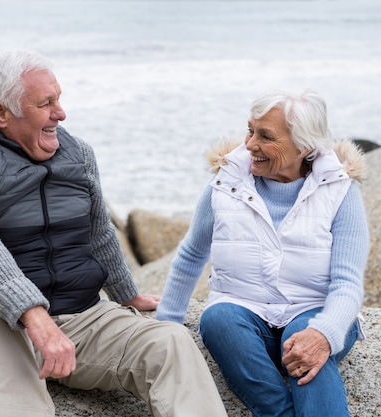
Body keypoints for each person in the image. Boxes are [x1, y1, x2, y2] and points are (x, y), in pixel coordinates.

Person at [0, 48, 228, 417]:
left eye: (58, 99)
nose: (60, 113)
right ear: (1, 113)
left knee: (170, 341)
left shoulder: (78, 154)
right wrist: (35, 316)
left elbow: (99, 233)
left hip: (81, 322)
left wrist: (128, 294)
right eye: (46, 103)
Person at [155, 90, 369, 417]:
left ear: (305, 147)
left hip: (314, 312)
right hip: (244, 317)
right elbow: (190, 256)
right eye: (250, 130)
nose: (250, 144)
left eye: (266, 136)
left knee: (303, 341)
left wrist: (323, 334)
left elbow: (347, 284)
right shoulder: (226, 184)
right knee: (218, 318)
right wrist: (166, 327)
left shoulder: (340, 190)